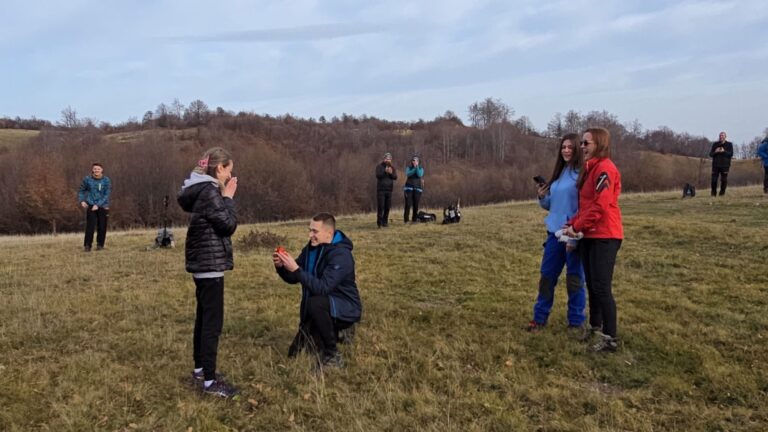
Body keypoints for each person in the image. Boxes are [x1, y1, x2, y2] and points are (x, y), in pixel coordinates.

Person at [177, 147, 239, 398]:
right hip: (209, 265)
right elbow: (228, 225)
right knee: (212, 323)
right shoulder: (211, 191)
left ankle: (201, 370)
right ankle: (210, 382)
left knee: (203, 319)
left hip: (202, 264)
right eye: (229, 171)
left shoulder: (200, 189)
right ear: (219, 168)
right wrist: (229, 198)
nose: (229, 176)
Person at [273, 213, 362, 369]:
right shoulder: (310, 249)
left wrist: (296, 269)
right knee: (295, 352)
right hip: (320, 307)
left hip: (345, 307)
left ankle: (333, 355)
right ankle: (336, 333)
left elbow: (322, 288)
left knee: (316, 303)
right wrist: (281, 267)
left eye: (315, 231)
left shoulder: (341, 255)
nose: (310, 235)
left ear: (329, 233)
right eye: (310, 230)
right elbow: (294, 278)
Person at [563, 127, 623, 353]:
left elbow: (601, 205)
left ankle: (610, 338)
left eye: (586, 143)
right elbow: (586, 206)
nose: (582, 147)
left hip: (605, 236)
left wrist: (577, 226)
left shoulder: (605, 169)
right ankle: (595, 327)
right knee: (592, 285)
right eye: (582, 143)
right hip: (589, 234)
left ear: (599, 144)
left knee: (602, 288)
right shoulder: (589, 169)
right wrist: (572, 224)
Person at [527, 133, 587, 333]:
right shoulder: (559, 174)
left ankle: (576, 322)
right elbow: (552, 205)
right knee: (547, 277)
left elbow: (584, 207)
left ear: (578, 149)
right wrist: (542, 197)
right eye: (563, 147)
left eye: (570, 147)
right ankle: (539, 318)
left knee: (574, 279)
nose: (566, 150)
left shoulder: (583, 174)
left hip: (573, 233)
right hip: (554, 234)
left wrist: (575, 235)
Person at [78, 163, 112, 252]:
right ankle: (87, 246)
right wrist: (82, 200)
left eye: (98, 169)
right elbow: (81, 190)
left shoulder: (106, 180)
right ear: (92, 170)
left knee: (102, 226)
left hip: (103, 205)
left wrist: (98, 205)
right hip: (91, 204)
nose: (96, 170)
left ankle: (100, 245)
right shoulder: (87, 179)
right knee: (90, 226)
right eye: (95, 169)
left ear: (102, 170)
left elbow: (106, 194)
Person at [375, 152, 398, 227]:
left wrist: (391, 173)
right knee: (381, 206)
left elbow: (395, 177)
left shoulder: (392, 167)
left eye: (390, 159)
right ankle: (379, 223)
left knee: (387, 207)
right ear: (384, 159)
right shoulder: (379, 166)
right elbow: (378, 176)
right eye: (387, 158)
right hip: (381, 190)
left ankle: (385, 222)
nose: (388, 160)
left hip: (389, 190)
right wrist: (385, 172)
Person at [709, 131, 733, 196]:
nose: (721, 137)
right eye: (720, 136)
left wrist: (723, 151)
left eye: (723, 136)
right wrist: (716, 152)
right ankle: (713, 194)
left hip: (725, 165)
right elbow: (710, 154)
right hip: (715, 165)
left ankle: (722, 193)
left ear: (725, 137)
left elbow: (731, 154)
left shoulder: (729, 144)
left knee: (723, 180)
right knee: (714, 180)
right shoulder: (715, 144)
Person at [403, 155, 424, 223]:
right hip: (408, 188)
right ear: (411, 162)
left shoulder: (421, 168)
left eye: (416, 161)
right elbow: (408, 174)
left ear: (418, 162)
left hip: (417, 188)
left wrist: (416, 167)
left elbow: (419, 175)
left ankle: (414, 219)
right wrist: (414, 169)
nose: (415, 162)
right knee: (408, 204)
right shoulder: (408, 168)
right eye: (413, 160)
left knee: (416, 205)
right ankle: (406, 220)